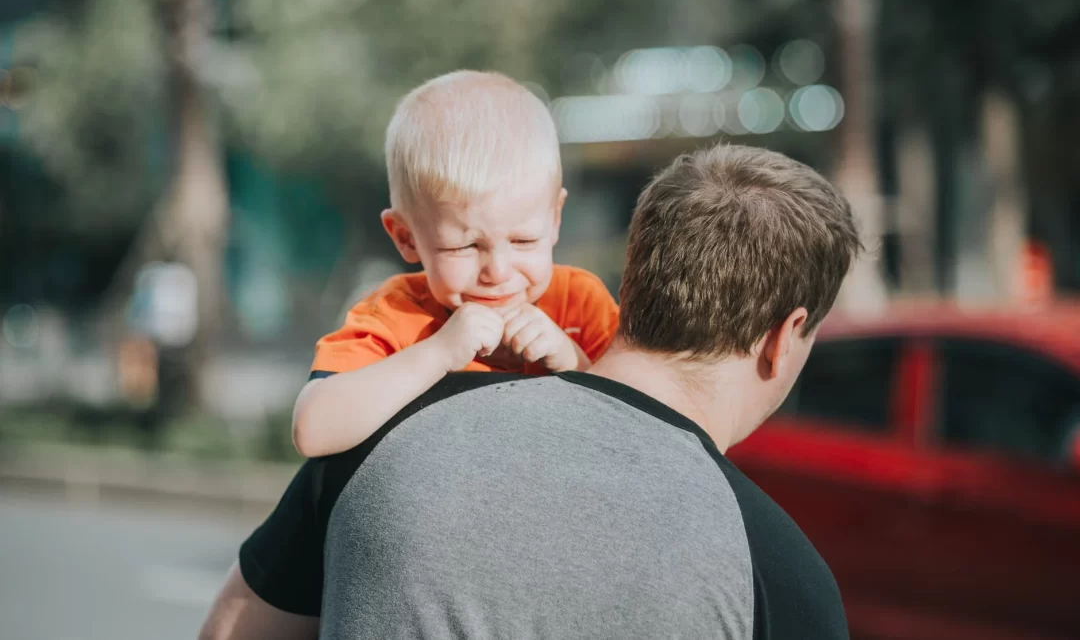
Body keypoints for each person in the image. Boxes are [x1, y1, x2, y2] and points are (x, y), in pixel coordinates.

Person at [201, 143, 861, 640]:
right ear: (784, 337)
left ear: (633, 278)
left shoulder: (382, 436)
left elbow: (231, 631)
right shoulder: (780, 575)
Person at [291, 70, 620, 458]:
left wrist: (573, 361)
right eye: (464, 246)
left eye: (523, 240)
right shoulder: (395, 315)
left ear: (555, 219)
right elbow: (313, 431)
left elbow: (643, 431)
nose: (498, 272)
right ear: (405, 237)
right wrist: (438, 353)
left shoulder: (580, 303)